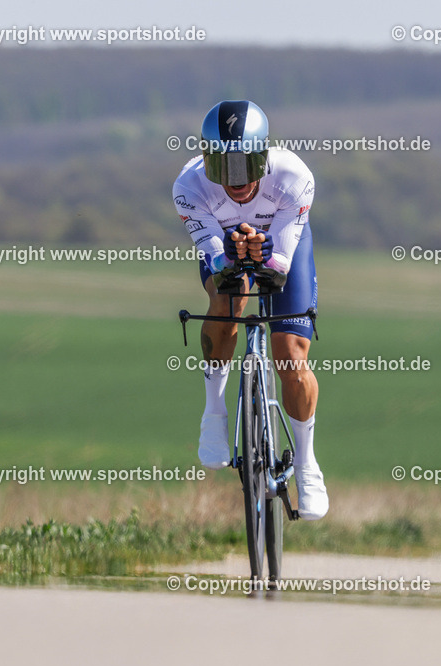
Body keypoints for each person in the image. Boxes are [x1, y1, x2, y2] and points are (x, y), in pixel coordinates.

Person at [172, 100, 328, 520]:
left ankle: (307, 463)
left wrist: (266, 254)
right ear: (207, 160)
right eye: (225, 167)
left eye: (246, 165)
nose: (237, 180)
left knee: (290, 354)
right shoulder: (189, 186)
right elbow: (218, 264)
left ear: (264, 155)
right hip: (224, 244)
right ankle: (215, 411)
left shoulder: (294, 176)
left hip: (282, 241)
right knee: (226, 301)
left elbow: (278, 270)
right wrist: (230, 255)